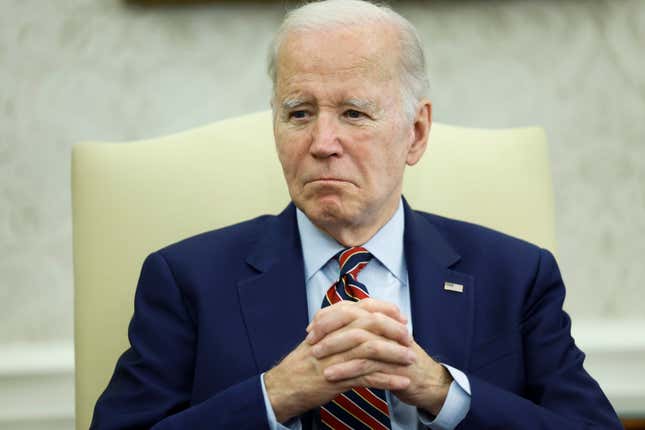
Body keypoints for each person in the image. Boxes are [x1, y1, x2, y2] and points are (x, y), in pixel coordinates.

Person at [91, 1, 622, 429]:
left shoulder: (515, 275)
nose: (323, 143)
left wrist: (439, 390)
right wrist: (275, 396)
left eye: (354, 114)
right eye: (299, 113)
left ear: (415, 133)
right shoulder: (187, 280)